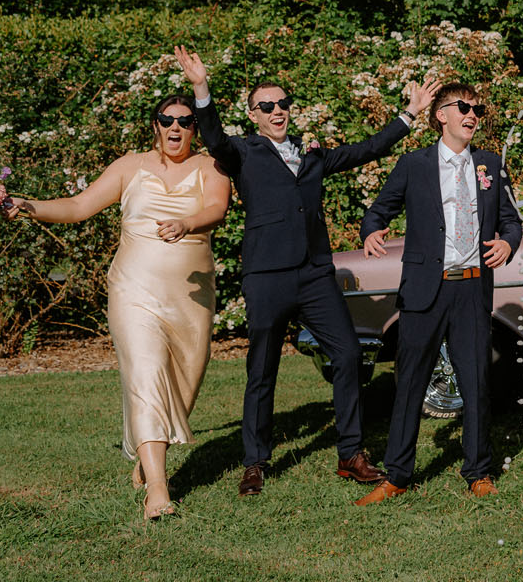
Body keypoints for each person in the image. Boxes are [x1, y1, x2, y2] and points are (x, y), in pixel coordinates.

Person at [174, 46, 436, 496]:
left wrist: (409, 114)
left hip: (315, 275)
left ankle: (350, 454)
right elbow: (214, 138)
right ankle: (255, 462)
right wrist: (201, 86)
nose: (277, 111)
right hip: (267, 276)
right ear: (254, 116)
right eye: (267, 107)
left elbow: (368, 150)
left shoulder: (312, 154)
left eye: (283, 104)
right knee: (262, 369)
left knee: (349, 355)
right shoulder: (243, 151)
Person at [0, 95, 229, 519]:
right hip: (133, 290)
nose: (175, 127)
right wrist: (28, 207)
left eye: (185, 121)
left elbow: (217, 208)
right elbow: (78, 207)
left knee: (184, 383)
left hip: (191, 296)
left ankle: (147, 456)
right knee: (146, 374)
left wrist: (187, 223)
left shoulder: (211, 166)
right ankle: (158, 489)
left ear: (195, 129)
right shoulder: (129, 166)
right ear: (155, 125)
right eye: (167, 119)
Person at [353, 82, 522, 504]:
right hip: (424, 291)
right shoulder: (415, 164)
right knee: (410, 382)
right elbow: (379, 210)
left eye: (477, 109)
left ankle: (478, 471)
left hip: (472, 289)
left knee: (476, 383)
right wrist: (371, 231)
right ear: (441, 115)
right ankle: (397, 475)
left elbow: (511, 221)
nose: (472, 115)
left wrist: (508, 243)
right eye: (463, 107)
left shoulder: (489, 164)